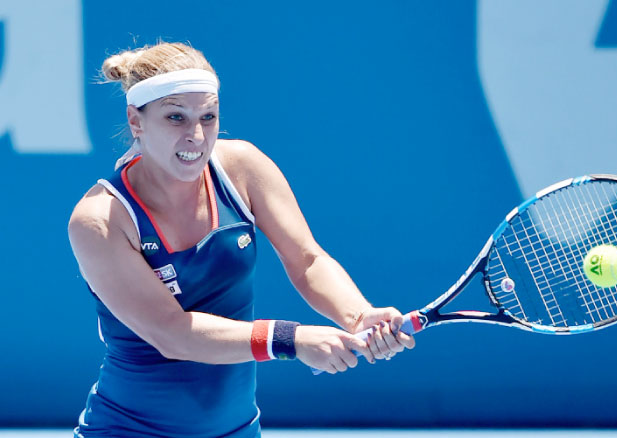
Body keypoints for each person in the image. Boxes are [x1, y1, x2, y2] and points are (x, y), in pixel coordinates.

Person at [68, 41, 415, 437]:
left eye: (208, 116)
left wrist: (357, 315)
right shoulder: (100, 220)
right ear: (136, 121)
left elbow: (307, 260)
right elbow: (171, 333)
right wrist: (292, 339)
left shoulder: (242, 168)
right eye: (176, 117)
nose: (196, 135)